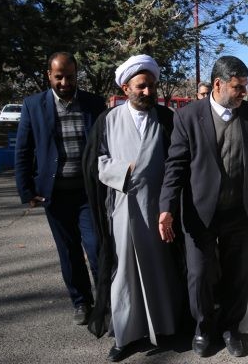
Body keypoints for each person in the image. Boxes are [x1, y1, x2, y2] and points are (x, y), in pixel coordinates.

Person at [158, 56, 248, 358]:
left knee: (237, 273)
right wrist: (166, 206)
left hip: (239, 213)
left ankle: (231, 327)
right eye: (238, 87)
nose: (244, 92)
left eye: (245, 86)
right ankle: (203, 327)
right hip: (200, 213)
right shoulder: (189, 116)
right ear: (218, 84)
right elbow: (176, 165)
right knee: (200, 275)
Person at [82, 54, 183, 362]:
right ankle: (126, 335)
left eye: (152, 86)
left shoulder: (166, 118)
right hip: (124, 210)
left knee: (163, 269)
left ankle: (166, 326)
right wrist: (127, 171)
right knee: (124, 273)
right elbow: (94, 163)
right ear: (126, 87)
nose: (148, 92)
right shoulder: (107, 120)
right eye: (141, 86)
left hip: (160, 210)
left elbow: (180, 160)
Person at [14, 52, 105, 325]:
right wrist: (26, 190)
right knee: (68, 252)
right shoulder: (33, 105)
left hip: (89, 192)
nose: (65, 82)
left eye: (70, 76)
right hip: (55, 194)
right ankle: (81, 302)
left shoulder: (93, 103)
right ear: (49, 76)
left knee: (97, 247)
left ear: (77, 75)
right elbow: (23, 149)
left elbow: (106, 143)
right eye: (59, 76)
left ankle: (107, 302)